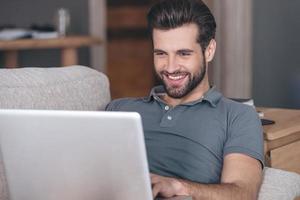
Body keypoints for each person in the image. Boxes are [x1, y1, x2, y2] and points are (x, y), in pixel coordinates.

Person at [106, 0, 264, 199]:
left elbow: (243, 193)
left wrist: (178, 187)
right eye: (161, 53)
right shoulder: (119, 109)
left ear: (209, 50)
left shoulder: (237, 116)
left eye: (183, 53)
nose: (171, 67)